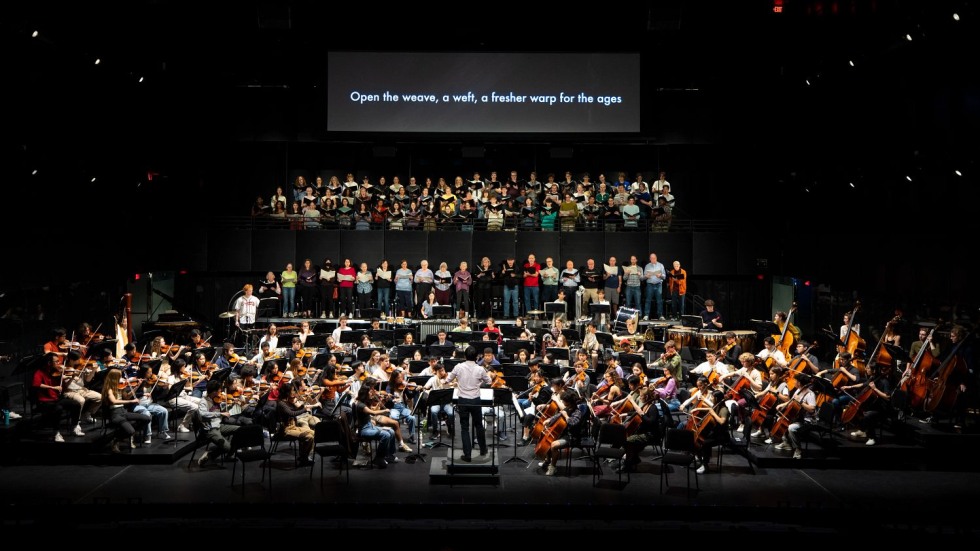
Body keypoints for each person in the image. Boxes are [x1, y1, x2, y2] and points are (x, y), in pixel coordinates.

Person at [446, 346, 492, 461]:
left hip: (463, 401)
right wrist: (480, 381)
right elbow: (489, 381)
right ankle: (483, 449)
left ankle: (467, 455)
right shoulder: (480, 369)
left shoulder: (458, 367)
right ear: (477, 357)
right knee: (479, 425)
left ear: (465, 356)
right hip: (476, 400)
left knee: (464, 428)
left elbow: (448, 380)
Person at [32, 353, 83, 442]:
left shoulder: (57, 372)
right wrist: (52, 387)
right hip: (44, 401)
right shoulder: (39, 372)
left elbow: (64, 383)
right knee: (58, 409)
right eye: (56, 362)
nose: (59, 363)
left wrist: (72, 376)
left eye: (58, 361)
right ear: (49, 363)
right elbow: (36, 384)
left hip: (56, 399)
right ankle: (56, 433)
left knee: (76, 404)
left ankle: (74, 427)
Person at [101, 368, 152, 453]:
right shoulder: (108, 389)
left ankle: (127, 433)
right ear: (114, 378)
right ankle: (115, 440)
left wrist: (136, 386)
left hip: (123, 411)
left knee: (147, 418)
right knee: (130, 431)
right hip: (115, 414)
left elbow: (127, 396)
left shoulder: (120, 387)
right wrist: (131, 401)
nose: (122, 378)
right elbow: (114, 401)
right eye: (120, 377)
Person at [538, 389, 587, 476]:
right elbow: (557, 416)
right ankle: (548, 460)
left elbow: (573, 423)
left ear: (569, 402)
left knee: (553, 445)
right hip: (563, 434)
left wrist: (566, 416)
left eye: (563, 400)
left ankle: (553, 467)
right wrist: (549, 420)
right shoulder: (568, 408)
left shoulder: (577, 412)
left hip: (572, 437)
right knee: (547, 437)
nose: (562, 401)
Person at [195, 379, 241, 466]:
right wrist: (219, 414)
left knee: (240, 430)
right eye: (219, 389)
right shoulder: (203, 402)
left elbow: (224, 410)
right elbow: (203, 415)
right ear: (214, 391)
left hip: (219, 425)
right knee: (228, 447)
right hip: (209, 429)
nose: (221, 391)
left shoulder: (217, 399)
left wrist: (232, 404)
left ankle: (229, 453)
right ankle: (210, 454)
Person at [773, 378, 817, 460]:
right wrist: (783, 405)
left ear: (799, 383)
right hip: (797, 417)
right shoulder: (798, 391)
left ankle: (798, 449)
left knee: (791, 428)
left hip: (807, 420)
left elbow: (812, 409)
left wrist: (800, 401)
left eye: (795, 381)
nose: (793, 382)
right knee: (781, 420)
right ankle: (786, 443)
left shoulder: (810, 394)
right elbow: (792, 401)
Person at [690, 389, 730, 473]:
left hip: (721, 435)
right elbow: (709, 409)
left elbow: (722, 421)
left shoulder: (724, 409)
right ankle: (700, 458)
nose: (711, 399)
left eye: (712, 397)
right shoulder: (716, 405)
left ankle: (705, 465)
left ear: (716, 398)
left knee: (705, 443)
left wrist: (713, 413)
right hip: (714, 432)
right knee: (696, 438)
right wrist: (697, 408)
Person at [276, 380, 316, 466]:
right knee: (308, 436)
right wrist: (304, 409)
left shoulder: (287, 402)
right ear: (287, 392)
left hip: (293, 426)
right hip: (286, 430)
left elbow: (294, 410)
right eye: (292, 390)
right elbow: (291, 413)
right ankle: (304, 458)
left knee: (313, 433)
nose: (294, 392)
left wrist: (300, 406)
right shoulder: (281, 404)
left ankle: (303, 456)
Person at [423, 362, 456, 440]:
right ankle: (435, 431)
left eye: (443, 370)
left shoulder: (448, 378)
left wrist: (452, 384)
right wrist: (425, 388)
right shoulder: (433, 379)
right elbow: (426, 386)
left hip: (446, 402)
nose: (442, 372)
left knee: (451, 413)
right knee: (434, 411)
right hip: (436, 402)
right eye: (440, 371)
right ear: (435, 371)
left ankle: (450, 427)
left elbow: (455, 384)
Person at [642, 253, 666, 321]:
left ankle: (660, 315)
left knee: (659, 301)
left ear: (656, 258)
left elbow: (664, 276)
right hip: (650, 285)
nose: (653, 259)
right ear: (650, 259)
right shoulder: (647, 266)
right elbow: (643, 277)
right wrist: (646, 276)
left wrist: (660, 275)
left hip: (658, 284)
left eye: (654, 258)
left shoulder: (661, 265)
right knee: (648, 300)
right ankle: (646, 315)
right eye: (651, 258)